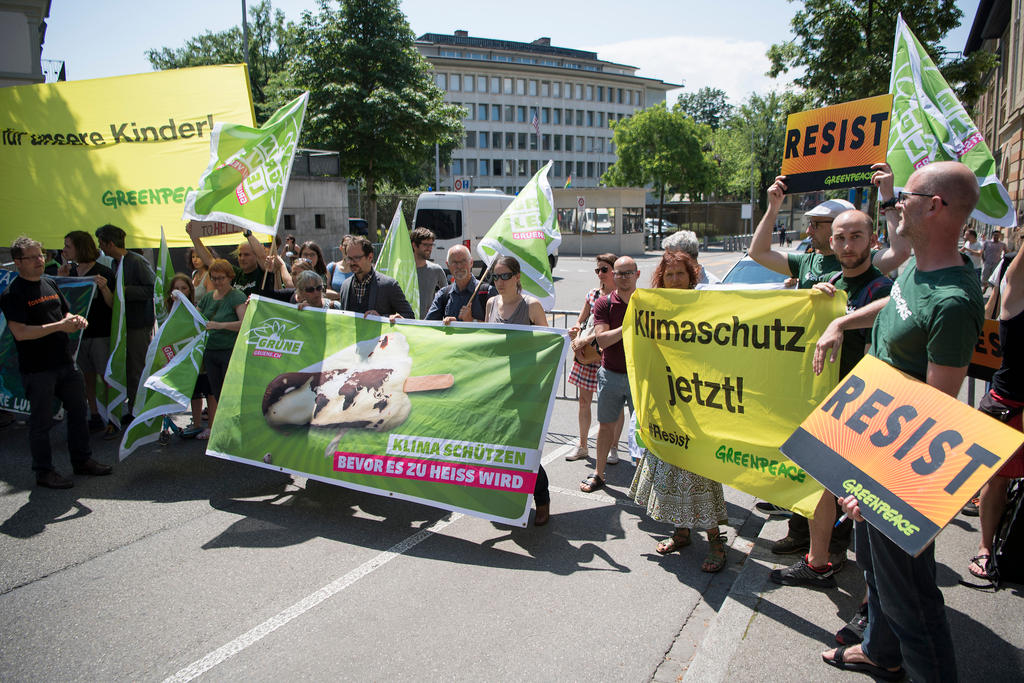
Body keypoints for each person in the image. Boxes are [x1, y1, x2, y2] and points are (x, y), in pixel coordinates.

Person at [817, 161, 984, 682]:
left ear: (934, 206)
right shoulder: (917, 266)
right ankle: (880, 651)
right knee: (876, 573)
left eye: (904, 196)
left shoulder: (954, 301)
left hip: (899, 473)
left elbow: (937, 416)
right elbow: (898, 301)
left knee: (911, 599)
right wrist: (844, 321)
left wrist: (875, 488)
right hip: (872, 450)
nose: (894, 205)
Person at [769, 209, 892, 589]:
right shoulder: (829, 281)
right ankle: (817, 561)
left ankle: (876, 602)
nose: (846, 244)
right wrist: (811, 299)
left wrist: (840, 320)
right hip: (823, 401)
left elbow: (891, 308)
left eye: (856, 236)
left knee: (866, 499)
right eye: (840, 237)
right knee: (818, 484)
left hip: (865, 405)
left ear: (873, 240)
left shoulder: (882, 287)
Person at [629, 250, 729, 572]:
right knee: (670, 469)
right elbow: (635, 337)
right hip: (665, 403)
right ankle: (681, 532)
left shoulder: (705, 308)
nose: (674, 280)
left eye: (680, 274)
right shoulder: (655, 307)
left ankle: (715, 540)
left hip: (697, 403)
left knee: (699, 471)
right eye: (669, 274)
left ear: (692, 277)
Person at [0, 236, 112, 488]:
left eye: (41, 255)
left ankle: (82, 461)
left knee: (78, 412)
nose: (40, 260)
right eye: (33, 257)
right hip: (38, 369)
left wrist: (75, 319)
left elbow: (65, 312)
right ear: (18, 262)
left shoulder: (49, 282)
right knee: (41, 423)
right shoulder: (13, 293)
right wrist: (60, 326)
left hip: (65, 363)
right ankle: (44, 472)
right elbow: (20, 332)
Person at [749, 164, 911, 289]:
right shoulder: (805, 263)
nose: (808, 231)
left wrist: (888, 198)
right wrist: (773, 207)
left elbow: (900, 252)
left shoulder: (861, 260)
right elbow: (758, 252)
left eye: (815, 224)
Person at [968, 244, 1024, 580]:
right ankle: (985, 546)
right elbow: (1014, 279)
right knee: (997, 476)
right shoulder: (1015, 296)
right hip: (1010, 401)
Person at [483, 256, 551, 526]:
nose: (500, 282)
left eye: (505, 276)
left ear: (517, 277)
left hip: (524, 388)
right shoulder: (490, 304)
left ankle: (542, 499)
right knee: (499, 445)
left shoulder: (531, 306)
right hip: (496, 389)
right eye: (495, 277)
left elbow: (549, 347)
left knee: (524, 448)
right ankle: (509, 496)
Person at [580, 255, 640, 494]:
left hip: (640, 377)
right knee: (605, 426)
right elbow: (602, 340)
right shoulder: (604, 303)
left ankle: (641, 481)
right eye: (619, 273)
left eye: (628, 272)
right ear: (613, 276)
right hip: (611, 374)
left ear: (637, 274)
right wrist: (630, 326)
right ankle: (599, 473)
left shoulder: (647, 301)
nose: (623, 277)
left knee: (641, 430)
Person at [95, 224, 155, 424]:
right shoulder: (114, 264)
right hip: (123, 325)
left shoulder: (137, 261)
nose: (100, 247)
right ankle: (132, 408)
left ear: (110, 243)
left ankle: (140, 412)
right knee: (128, 368)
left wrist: (124, 290)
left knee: (138, 368)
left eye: (101, 243)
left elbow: (152, 289)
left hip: (138, 325)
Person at [566, 253, 623, 462]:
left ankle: (613, 448)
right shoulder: (592, 294)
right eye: (597, 270)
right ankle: (582, 445)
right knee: (584, 402)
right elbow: (580, 321)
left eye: (604, 269)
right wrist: (576, 333)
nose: (600, 274)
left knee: (613, 407)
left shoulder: (620, 297)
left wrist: (584, 339)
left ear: (614, 271)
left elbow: (614, 328)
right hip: (587, 357)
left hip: (610, 357)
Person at [57, 230, 115, 434]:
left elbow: (114, 306)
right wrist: (60, 281)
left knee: (105, 376)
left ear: (80, 247)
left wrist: (105, 289)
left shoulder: (104, 272)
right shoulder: (68, 273)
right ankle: (95, 414)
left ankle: (111, 416)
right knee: (86, 378)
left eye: (67, 246)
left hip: (100, 334)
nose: (64, 251)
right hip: (78, 336)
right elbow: (61, 306)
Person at [196, 259, 248, 440]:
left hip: (229, 350)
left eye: (221, 278)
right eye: (214, 278)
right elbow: (196, 316)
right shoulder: (208, 297)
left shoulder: (237, 296)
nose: (217, 282)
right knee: (217, 392)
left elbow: (243, 324)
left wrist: (219, 325)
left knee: (231, 392)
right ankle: (227, 428)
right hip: (210, 351)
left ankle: (237, 428)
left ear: (229, 277)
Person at [164, 274, 208, 438]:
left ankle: (211, 425)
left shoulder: (197, 308)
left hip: (199, 353)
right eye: (177, 289)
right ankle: (196, 424)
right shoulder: (169, 310)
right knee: (194, 389)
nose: (180, 292)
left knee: (207, 388)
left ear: (190, 290)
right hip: (183, 355)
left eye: (184, 288)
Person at [186, 221, 275, 297]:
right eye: (240, 255)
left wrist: (247, 232)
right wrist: (194, 237)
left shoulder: (262, 272)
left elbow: (262, 256)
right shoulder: (234, 273)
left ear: (256, 257)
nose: (242, 258)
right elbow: (210, 261)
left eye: (247, 255)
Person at [336, 236, 415, 318]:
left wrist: (382, 318)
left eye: (356, 258)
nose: (352, 263)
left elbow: (409, 316)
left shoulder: (389, 285)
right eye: (349, 258)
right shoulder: (345, 286)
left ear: (370, 257)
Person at [425, 245, 495, 322]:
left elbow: (498, 329)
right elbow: (429, 326)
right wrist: (446, 324)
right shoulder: (443, 295)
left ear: (471, 262)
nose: (459, 266)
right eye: (454, 262)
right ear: (448, 265)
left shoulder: (487, 292)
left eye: (463, 261)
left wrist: (471, 321)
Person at [411, 227, 448, 318]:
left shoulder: (436, 270)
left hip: (428, 324)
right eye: (425, 245)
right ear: (414, 245)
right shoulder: (403, 269)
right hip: (406, 322)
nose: (429, 248)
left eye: (431, 245)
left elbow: (447, 296)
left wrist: (436, 309)